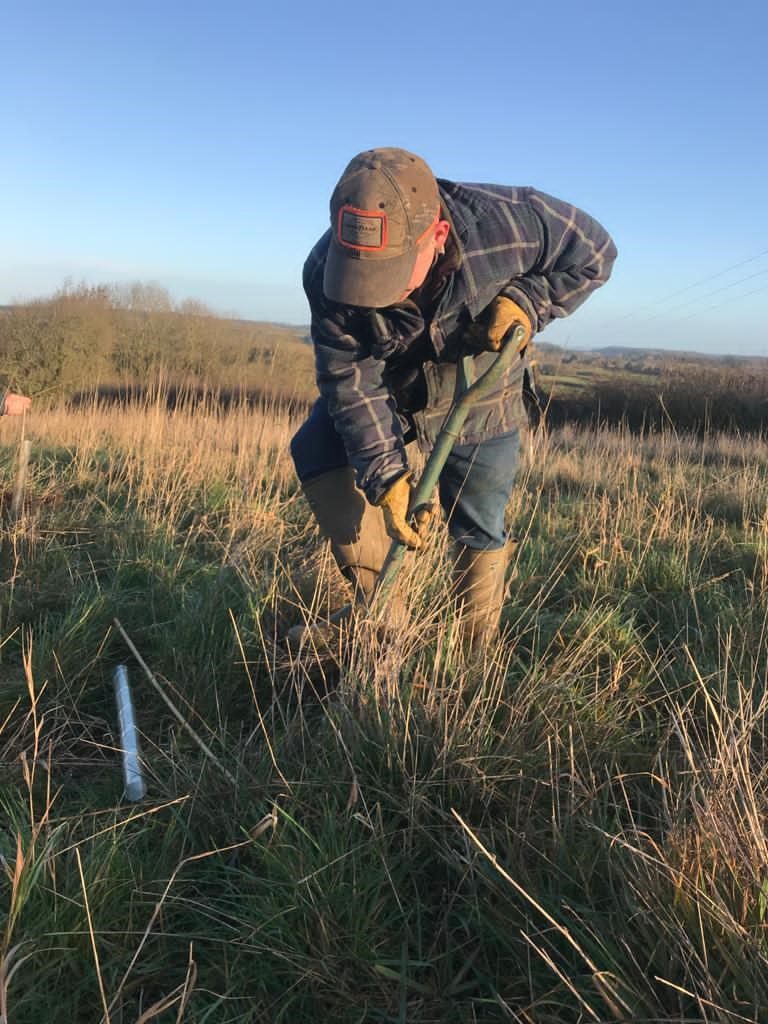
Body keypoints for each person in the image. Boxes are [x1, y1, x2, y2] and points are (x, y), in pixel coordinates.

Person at [289, 148, 616, 652]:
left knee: (478, 516)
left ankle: (471, 653)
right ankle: (382, 624)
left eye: (391, 274)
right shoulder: (325, 271)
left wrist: (527, 302)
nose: (373, 296)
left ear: (436, 236)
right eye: (361, 277)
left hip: (482, 388)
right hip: (390, 386)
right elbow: (348, 377)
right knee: (316, 449)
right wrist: (386, 475)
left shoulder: (509, 222)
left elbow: (595, 254)